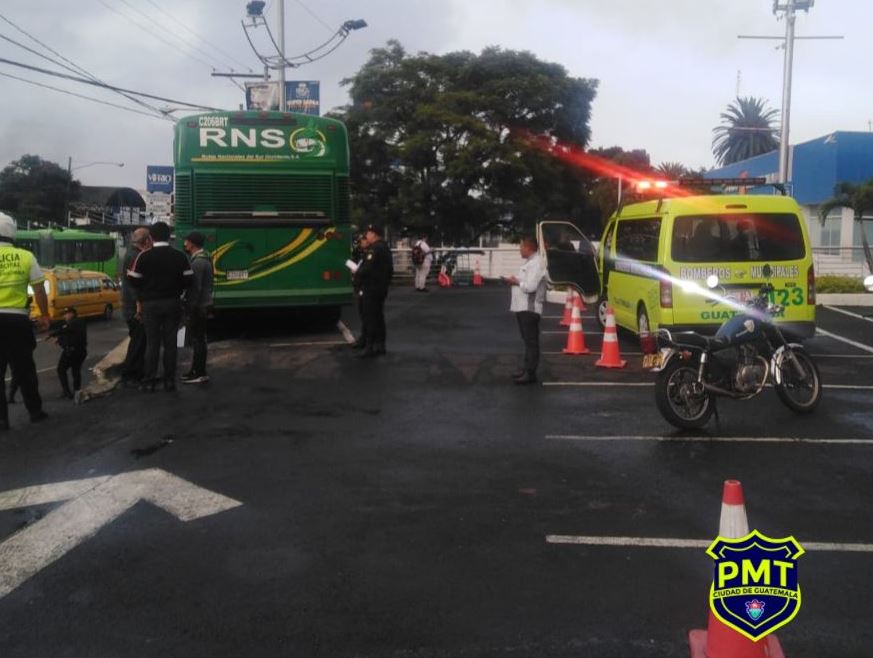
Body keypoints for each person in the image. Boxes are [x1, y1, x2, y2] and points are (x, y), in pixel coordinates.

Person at [127, 221, 193, 392]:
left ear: (151, 237)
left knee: (152, 343)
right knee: (171, 343)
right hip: (172, 302)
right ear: (169, 236)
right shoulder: (179, 256)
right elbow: (189, 279)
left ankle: (149, 381)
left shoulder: (143, 256)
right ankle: (169, 381)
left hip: (150, 305)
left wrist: (145, 291)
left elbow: (133, 279)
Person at [0, 212, 50, 431]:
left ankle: (2, 421)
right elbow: (39, 290)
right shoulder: (26, 256)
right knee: (25, 369)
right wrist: (45, 315)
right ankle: (35, 412)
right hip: (18, 320)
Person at [502, 235, 548, 385]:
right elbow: (526, 282)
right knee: (527, 341)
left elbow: (531, 286)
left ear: (529, 247)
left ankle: (530, 373)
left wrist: (516, 281)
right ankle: (526, 368)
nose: (520, 250)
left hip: (530, 308)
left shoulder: (537, 263)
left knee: (531, 341)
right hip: (523, 307)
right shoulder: (531, 262)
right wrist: (514, 281)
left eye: (521, 247)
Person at [355, 224, 393, 358]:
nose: (367, 236)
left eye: (369, 233)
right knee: (378, 316)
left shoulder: (375, 249)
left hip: (371, 288)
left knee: (370, 317)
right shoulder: (385, 248)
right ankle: (380, 345)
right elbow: (390, 271)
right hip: (381, 288)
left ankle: (369, 346)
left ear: (374, 234)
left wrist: (356, 271)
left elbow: (367, 269)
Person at [120, 227, 152, 385]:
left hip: (130, 305)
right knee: (138, 342)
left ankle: (137, 373)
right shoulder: (135, 256)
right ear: (147, 241)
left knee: (138, 340)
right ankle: (130, 375)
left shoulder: (131, 254)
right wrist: (139, 305)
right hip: (134, 307)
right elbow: (134, 285)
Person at [181, 231, 214, 384]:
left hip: (198, 307)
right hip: (204, 305)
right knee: (200, 340)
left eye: (186, 241)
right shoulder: (205, 259)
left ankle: (199, 372)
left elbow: (196, 289)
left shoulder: (197, 263)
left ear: (192, 243)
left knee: (198, 340)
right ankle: (197, 371)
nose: (184, 243)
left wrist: (190, 308)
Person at [49, 307, 87, 402]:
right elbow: (69, 335)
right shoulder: (74, 324)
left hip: (72, 352)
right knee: (75, 371)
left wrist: (52, 334)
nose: (64, 316)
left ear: (72, 314)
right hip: (79, 351)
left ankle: (67, 392)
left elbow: (66, 330)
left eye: (66, 314)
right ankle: (76, 392)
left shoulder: (76, 322)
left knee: (61, 369)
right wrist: (59, 339)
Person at [349, 233, 368, 349]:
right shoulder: (360, 252)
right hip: (360, 287)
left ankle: (368, 342)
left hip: (366, 289)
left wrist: (357, 271)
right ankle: (364, 339)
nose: (361, 242)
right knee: (363, 315)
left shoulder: (369, 253)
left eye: (363, 240)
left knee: (367, 316)